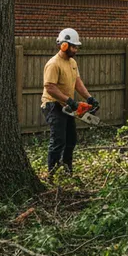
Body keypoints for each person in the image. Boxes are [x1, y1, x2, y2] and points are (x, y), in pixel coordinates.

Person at [41, 28, 98, 176]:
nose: (75, 49)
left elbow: (77, 82)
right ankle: (51, 173)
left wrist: (89, 98)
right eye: (73, 46)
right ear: (64, 45)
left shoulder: (72, 62)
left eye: (76, 47)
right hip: (53, 105)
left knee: (71, 140)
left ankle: (67, 171)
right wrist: (69, 100)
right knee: (58, 140)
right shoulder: (53, 64)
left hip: (66, 105)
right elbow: (50, 87)